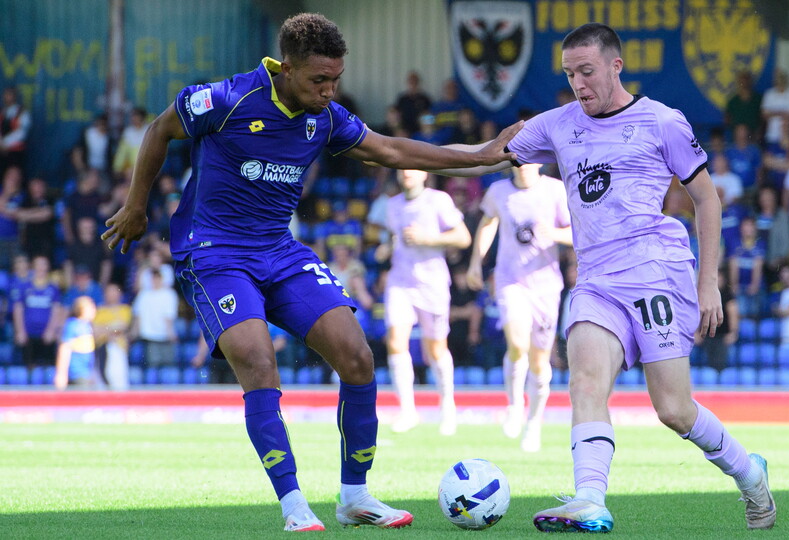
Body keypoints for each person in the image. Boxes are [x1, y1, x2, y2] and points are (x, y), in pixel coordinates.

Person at [100, 12, 520, 533]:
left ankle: (355, 496)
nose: (329, 91)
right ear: (287, 68)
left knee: (358, 356)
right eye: (320, 80)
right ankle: (294, 503)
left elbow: (391, 149)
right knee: (258, 360)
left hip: (279, 250)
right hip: (215, 253)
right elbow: (159, 130)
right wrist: (136, 206)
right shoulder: (228, 99)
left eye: (336, 80)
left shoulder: (326, 118)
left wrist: (481, 156)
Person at [440, 22, 775, 532]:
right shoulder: (557, 124)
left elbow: (707, 199)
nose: (578, 83)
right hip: (596, 281)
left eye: (587, 71)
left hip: (656, 274)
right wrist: (396, 151)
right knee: (585, 380)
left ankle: (750, 473)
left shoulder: (662, 121)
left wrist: (708, 282)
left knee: (674, 409)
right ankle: (589, 499)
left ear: (616, 66)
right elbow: (484, 158)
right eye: (569, 74)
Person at [466, 163, 571, 452]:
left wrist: (555, 234)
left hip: (546, 285)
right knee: (517, 343)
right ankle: (514, 406)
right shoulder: (499, 191)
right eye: (517, 160)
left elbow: (577, 232)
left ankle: (534, 422)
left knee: (539, 360)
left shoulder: (555, 190)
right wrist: (476, 262)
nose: (523, 165)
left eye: (528, 159)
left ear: (539, 162)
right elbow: (489, 222)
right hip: (510, 280)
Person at [379, 168, 471, 435]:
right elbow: (393, 239)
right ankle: (407, 411)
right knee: (395, 342)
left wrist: (429, 239)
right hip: (400, 281)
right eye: (402, 169)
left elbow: (463, 237)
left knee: (436, 349)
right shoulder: (392, 205)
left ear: (424, 174)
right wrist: (386, 248)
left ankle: (447, 407)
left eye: (412, 168)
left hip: (432, 283)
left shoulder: (438, 200)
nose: (406, 172)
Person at [54, 296, 99, 390]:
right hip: (76, 373)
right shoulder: (72, 325)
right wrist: (61, 374)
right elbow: (64, 349)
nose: (94, 310)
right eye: (91, 308)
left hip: (87, 373)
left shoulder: (87, 326)